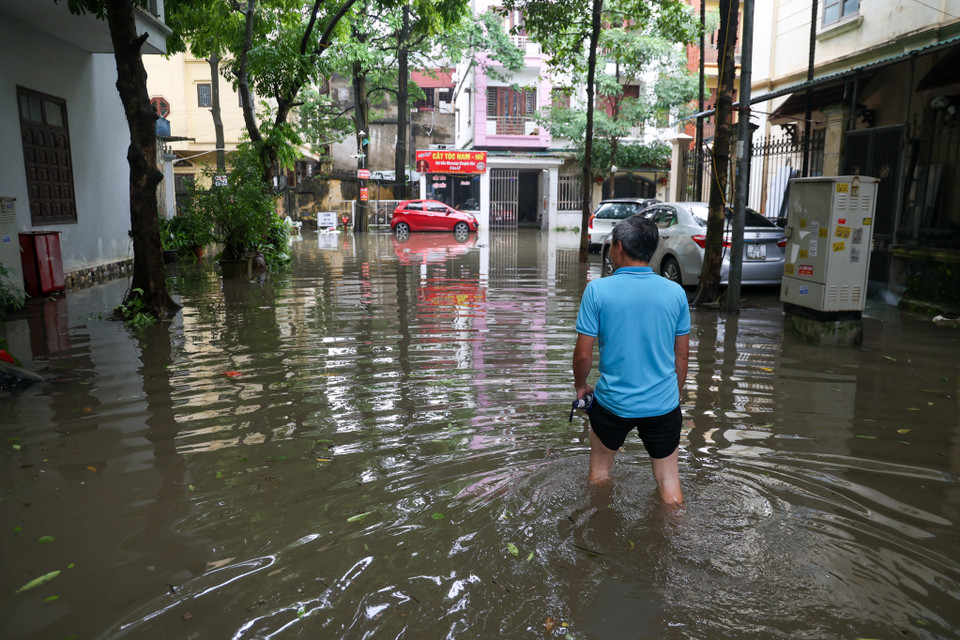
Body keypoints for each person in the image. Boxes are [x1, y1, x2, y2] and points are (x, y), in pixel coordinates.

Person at [572, 216, 690, 504]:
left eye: (611, 244)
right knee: (669, 482)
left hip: (613, 403)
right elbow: (682, 354)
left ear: (619, 247)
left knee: (599, 472)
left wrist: (581, 386)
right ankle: (675, 538)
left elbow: (583, 353)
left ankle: (599, 531)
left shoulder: (598, 291)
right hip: (663, 403)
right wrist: (672, 396)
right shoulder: (676, 293)